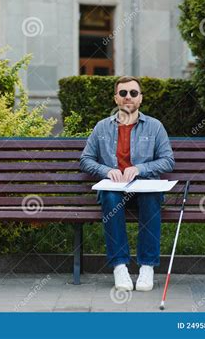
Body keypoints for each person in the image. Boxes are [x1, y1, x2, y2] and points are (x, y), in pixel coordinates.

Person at [80, 76, 175, 291]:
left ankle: (147, 267)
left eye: (133, 93)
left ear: (140, 98)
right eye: (123, 93)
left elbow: (168, 160)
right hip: (115, 190)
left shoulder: (154, 127)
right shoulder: (102, 127)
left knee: (151, 198)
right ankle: (120, 266)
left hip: (144, 188)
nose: (128, 97)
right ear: (116, 99)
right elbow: (85, 159)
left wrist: (140, 169)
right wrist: (107, 171)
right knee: (110, 197)